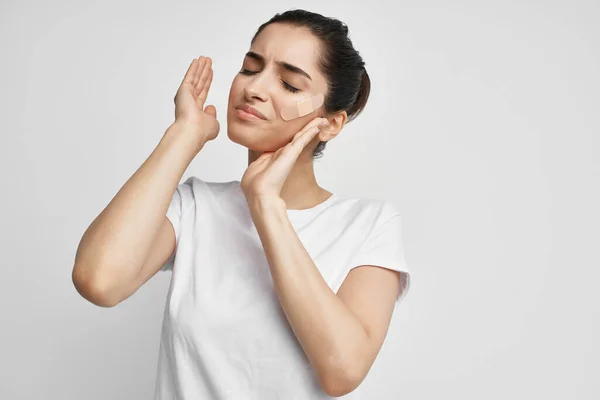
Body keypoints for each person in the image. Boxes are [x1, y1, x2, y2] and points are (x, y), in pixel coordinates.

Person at [72, 9, 411, 399]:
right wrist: (184, 134)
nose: (254, 88)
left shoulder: (369, 225)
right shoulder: (194, 206)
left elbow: (343, 371)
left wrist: (265, 205)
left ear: (331, 124)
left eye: (289, 83)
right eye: (251, 69)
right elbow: (98, 281)